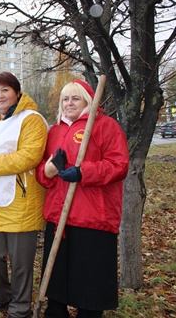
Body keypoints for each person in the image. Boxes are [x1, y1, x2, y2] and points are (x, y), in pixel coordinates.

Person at [36, 80, 129, 318]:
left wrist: (83, 172)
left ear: (88, 101)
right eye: (65, 99)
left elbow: (119, 166)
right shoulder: (55, 130)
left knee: (89, 285)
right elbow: (44, 173)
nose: (69, 103)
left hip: (92, 218)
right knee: (56, 281)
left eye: (75, 98)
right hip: (59, 218)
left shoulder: (104, 126)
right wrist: (46, 172)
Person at [0, 72, 48, 318]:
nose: (0, 96)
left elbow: (30, 156)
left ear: (16, 91)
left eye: (5, 90)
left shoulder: (31, 119)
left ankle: (20, 307)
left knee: (21, 262)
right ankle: (4, 295)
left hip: (20, 202)